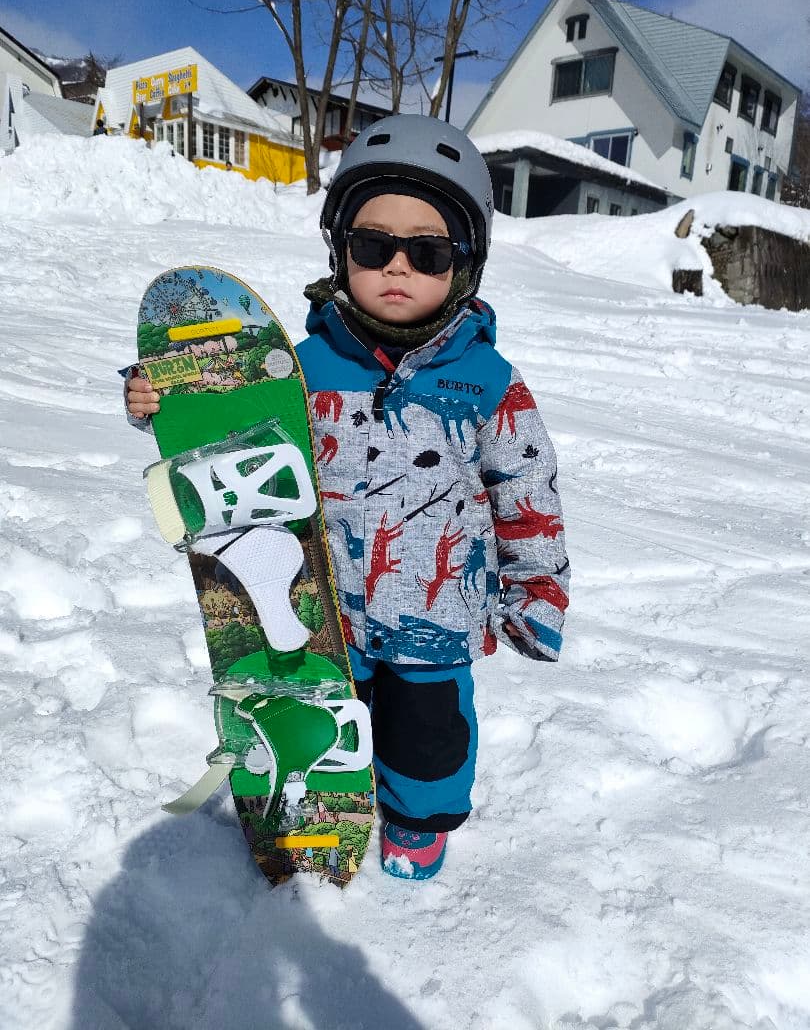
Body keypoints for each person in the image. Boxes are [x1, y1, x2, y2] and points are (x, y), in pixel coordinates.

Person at [126, 114, 570, 881]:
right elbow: (223, 422)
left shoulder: (487, 382)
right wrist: (157, 395)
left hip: (437, 611)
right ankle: (328, 805)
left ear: (465, 266)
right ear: (340, 252)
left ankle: (418, 821)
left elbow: (527, 488)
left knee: (428, 736)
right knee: (328, 715)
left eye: (428, 252)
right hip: (321, 606)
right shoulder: (296, 367)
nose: (398, 266)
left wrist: (537, 591)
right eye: (372, 246)